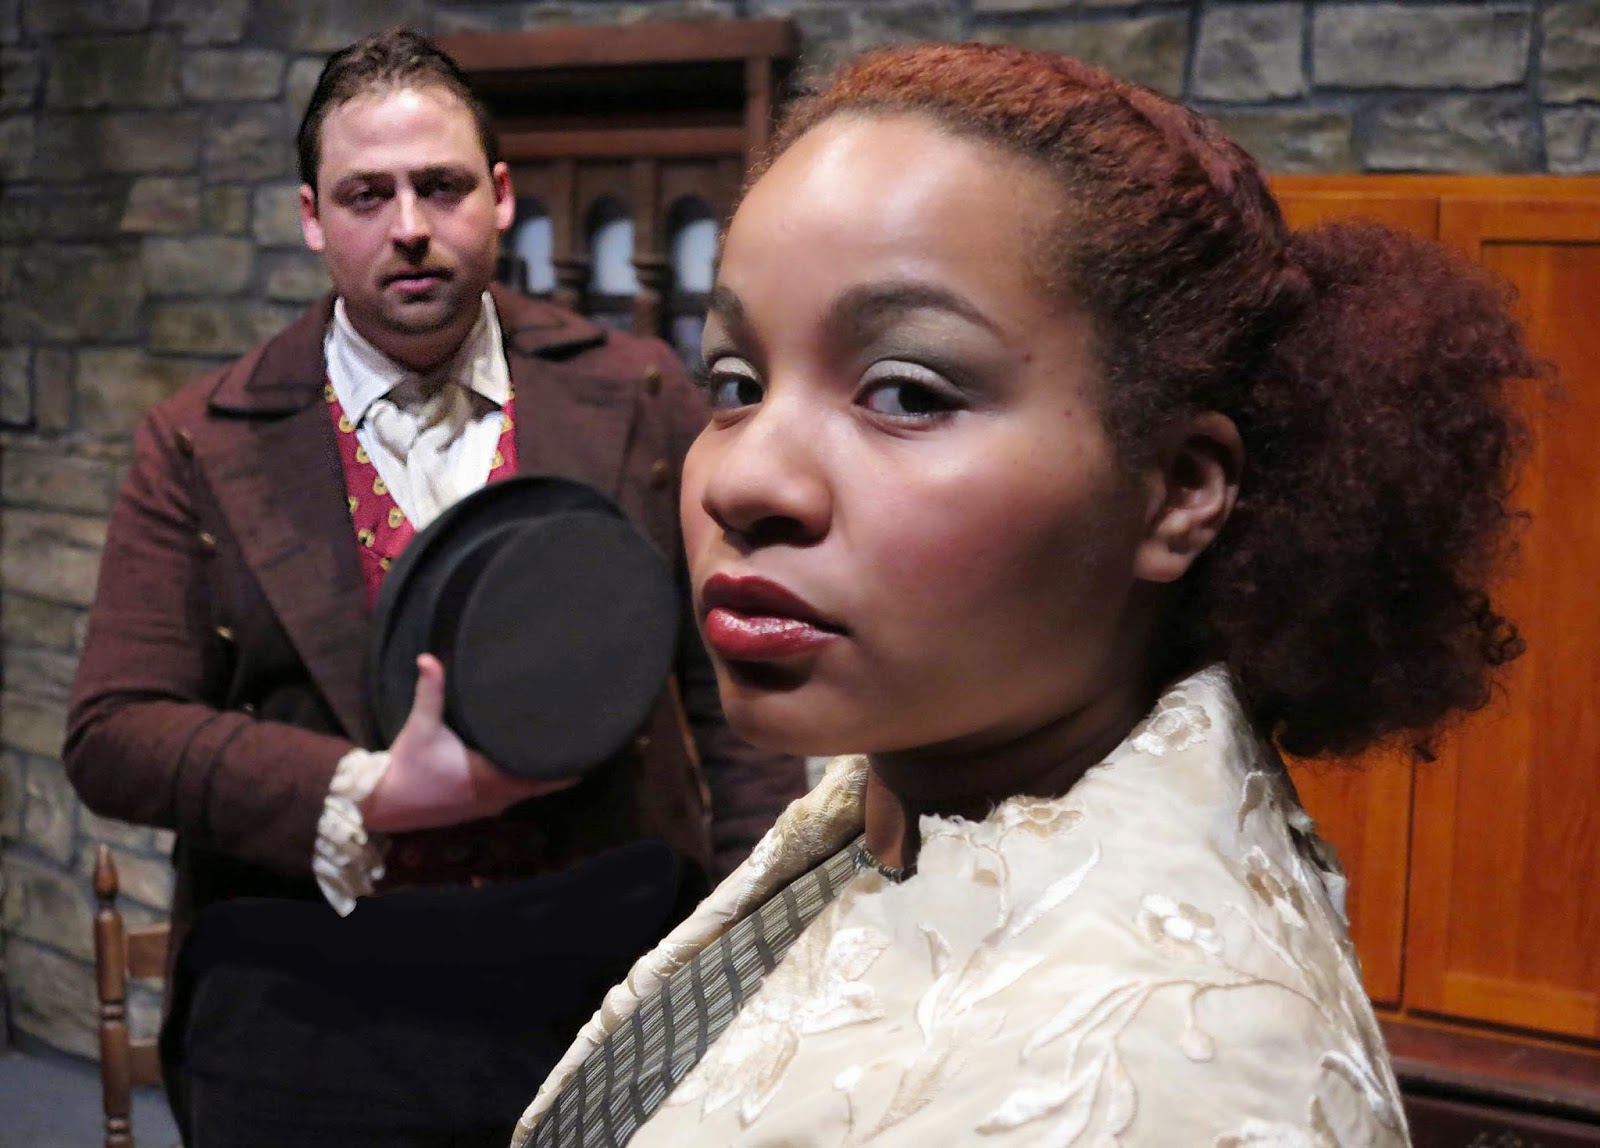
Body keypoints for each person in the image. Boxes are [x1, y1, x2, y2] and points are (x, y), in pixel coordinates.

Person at [512, 42, 1538, 1147]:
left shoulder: (1160, 1081)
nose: (746, 478)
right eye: (737, 382)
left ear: (1176, 491)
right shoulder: (907, 804)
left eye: (906, 392)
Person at [64, 27, 803, 1148]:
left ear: (497, 196)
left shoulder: (640, 390)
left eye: (441, 186)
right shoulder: (197, 439)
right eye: (366, 194)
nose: (408, 225)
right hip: (312, 985)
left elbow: (728, 689)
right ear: (314, 218)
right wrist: (361, 791)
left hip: (599, 961)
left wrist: (752, 935)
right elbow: (112, 731)